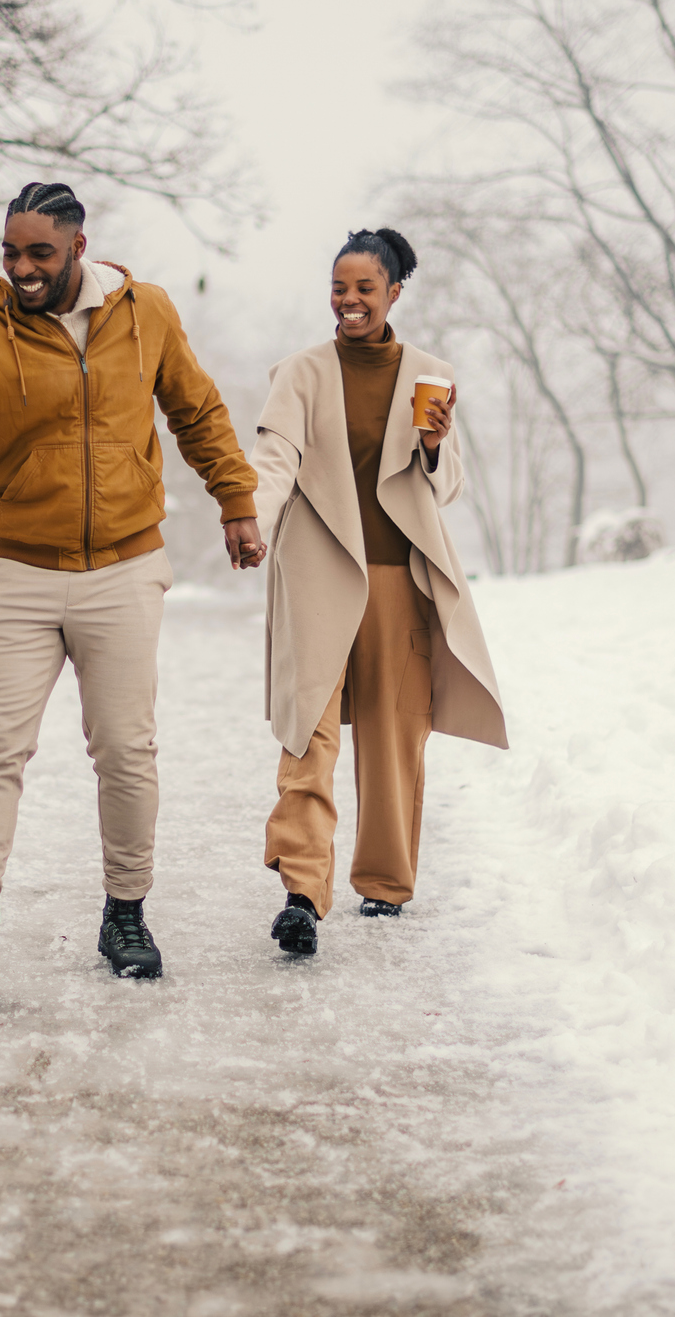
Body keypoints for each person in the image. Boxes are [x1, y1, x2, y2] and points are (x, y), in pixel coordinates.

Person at [0, 182, 266, 1000]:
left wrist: (237, 503)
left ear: (79, 246)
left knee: (124, 749)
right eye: (9, 253)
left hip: (121, 566)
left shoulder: (145, 314)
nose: (21, 268)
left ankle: (125, 915)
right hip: (14, 570)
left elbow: (198, 412)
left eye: (38, 252)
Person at [249, 228, 508, 955]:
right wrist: (252, 519)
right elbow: (274, 459)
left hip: (398, 578)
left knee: (397, 737)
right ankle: (303, 889)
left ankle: (385, 881)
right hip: (316, 575)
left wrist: (432, 443)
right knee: (310, 731)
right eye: (339, 287)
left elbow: (446, 485)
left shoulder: (430, 374)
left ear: (394, 292)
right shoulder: (299, 374)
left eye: (365, 288)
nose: (349, 301)